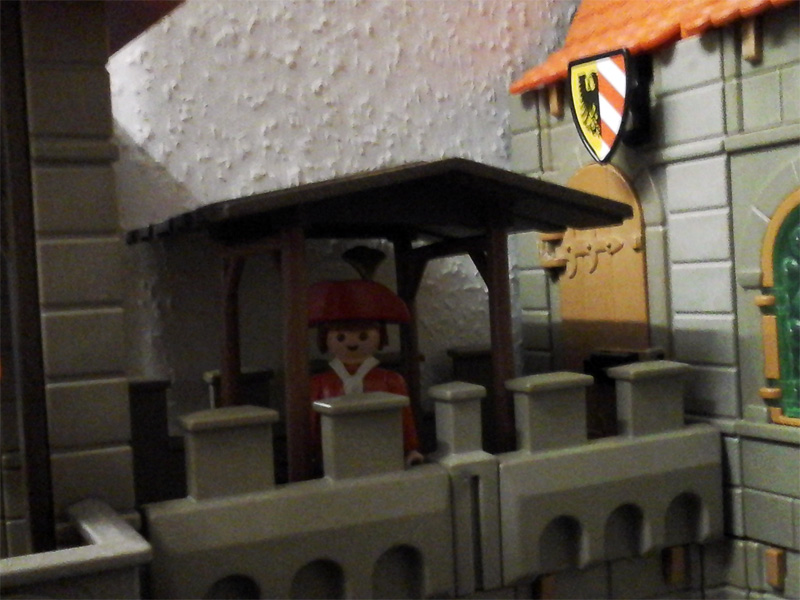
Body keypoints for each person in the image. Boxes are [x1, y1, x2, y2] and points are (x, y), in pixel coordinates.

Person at [308, 280, 423, 476]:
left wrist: (411, 448)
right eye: (341, 337)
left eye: (363, 336)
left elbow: (404, 417)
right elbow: (311, 423)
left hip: (383, 450)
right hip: (334, 455)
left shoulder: (391, 380)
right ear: (325, 338)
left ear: (380, 336)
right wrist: (310, 452)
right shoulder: (320, 383)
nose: (352, 342)